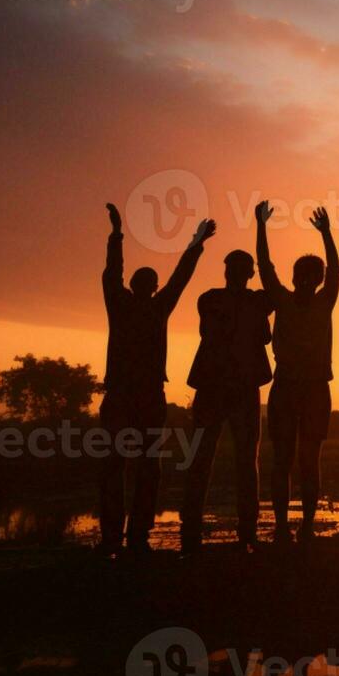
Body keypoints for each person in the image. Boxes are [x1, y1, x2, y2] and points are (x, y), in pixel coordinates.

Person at [98, 204, 214, 558]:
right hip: (128, 395)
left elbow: (180, 275)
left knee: (137, 465)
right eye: (144, 279)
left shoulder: (137, 304)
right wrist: (116, 233)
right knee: (127, 465)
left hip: (141, 395)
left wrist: (196, 243)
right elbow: (115, 270)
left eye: (147, 280)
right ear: (140, 285)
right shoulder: (126, 302)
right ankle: (122, 532)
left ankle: (129, 533)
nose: (146, 283)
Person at [180, 228, 275, 554]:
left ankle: (241, 531)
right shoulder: (216, 299)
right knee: (210, 458)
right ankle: (195, 529)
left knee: (238, 460)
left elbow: (269, 278)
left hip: (234, 387)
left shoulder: (227, 300)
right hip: (220, 386)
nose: (237, 274)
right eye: (235, 268)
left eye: (241, 269)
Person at [256, 201, 339, 544]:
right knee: (283, 458)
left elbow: (335, 267)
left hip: (316, 388)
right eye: (301, 276)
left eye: (312, 276)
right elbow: (264, 265)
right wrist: (260, 226)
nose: (305, 280)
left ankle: (305, 524)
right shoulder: (283, 300)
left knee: (309, 459)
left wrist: (326, 234)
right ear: (294, 278)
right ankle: (280, 525)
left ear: (318, 280)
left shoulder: (324, 301)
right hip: (287, 385)